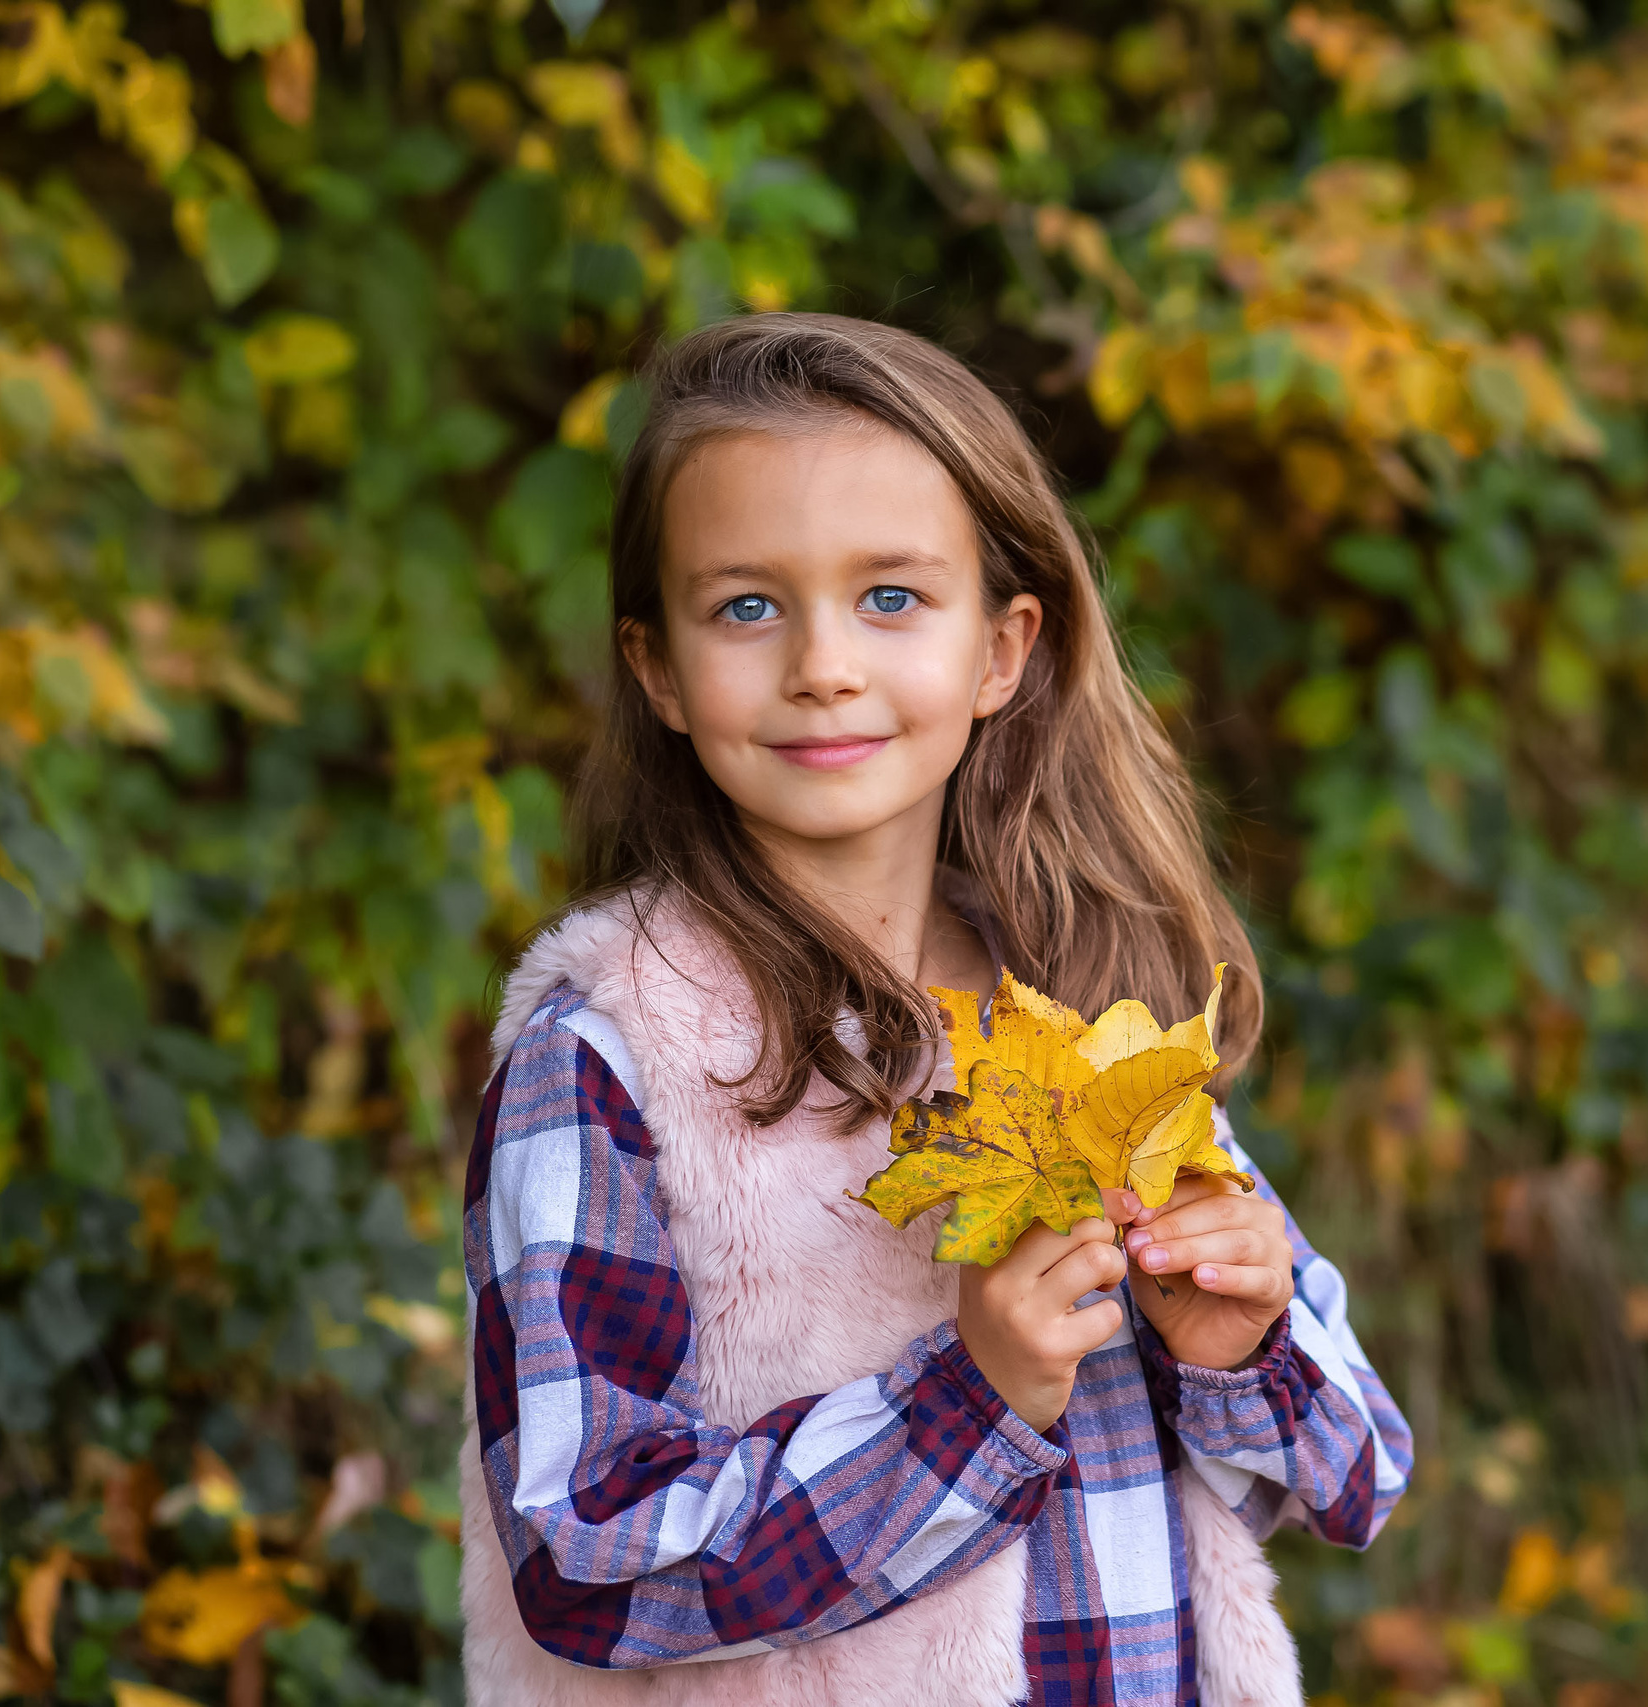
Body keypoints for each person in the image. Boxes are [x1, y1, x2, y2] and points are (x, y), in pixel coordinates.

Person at [458, 313, 1411, 1706]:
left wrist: (1240, 1346)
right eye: (745, 606)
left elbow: (1356, 1480)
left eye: (891, 598)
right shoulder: (610, 1055)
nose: (824, 666)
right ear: (656, 666)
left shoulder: (1082, 1008)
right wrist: (970, 1402)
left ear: (1003, 650)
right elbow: (583, 1556)